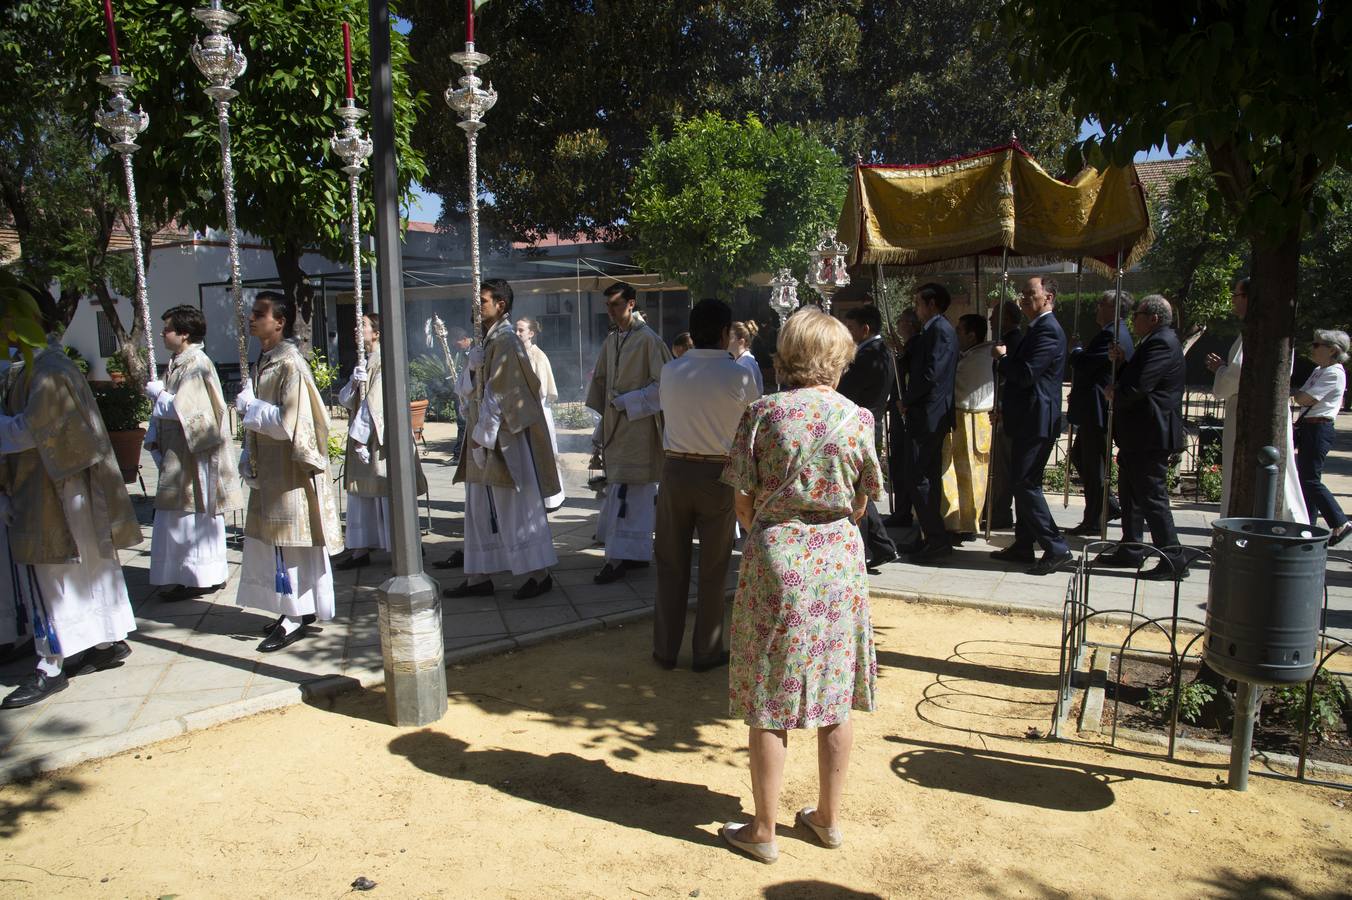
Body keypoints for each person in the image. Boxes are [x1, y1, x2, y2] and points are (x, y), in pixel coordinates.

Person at [718, 308, 880, 863]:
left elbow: (742, 502)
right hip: (838, 560)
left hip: (776, 558)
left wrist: (776, 527)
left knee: (770, 693)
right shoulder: (859, 419)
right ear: (838, 359)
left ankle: (763, 831)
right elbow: (863, 501)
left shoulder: (762, 413)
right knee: (835, 692)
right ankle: (828, 820)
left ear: (787, 354)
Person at [0, 333, 141, 707]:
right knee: (84, 570)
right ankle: (105, 642)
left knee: (55, 574)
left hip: (56, 488)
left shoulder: (46, 369)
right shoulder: (39, 365)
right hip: (63, 485)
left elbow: (34, 430)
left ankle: (52, 664)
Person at [652, 299, 759, 672]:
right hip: (719, 473)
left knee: (670, 563)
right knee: (714, 568)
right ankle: (707, 650)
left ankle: (665, 650)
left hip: (675, 470)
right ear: (724, 332)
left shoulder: (671, 370)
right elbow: (754, 424)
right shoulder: (740, 374)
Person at [234, 291, 344, 651]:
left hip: (290, 470)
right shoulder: (265, 360)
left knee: (292, 542)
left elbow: (290, 424)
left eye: (259, 314)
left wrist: (251, 408)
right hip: (269, 466)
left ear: (278, 322)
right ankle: (292, 608)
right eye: (252, 313)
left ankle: (296, 614)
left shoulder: (290, 364)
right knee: (276, 542)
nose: (252, 319)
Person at [445, 278, 562, 600]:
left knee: (515, 507)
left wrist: (484, 439)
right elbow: (468, 390)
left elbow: (502, 394)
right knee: (478, 507)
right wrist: (471, 367)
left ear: (501, 305)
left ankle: (539, 574)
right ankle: (478, 576)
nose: (476, 306)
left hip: (503, 438)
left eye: (482, 301)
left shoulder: (507, 340)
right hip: (481, 434)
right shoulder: (486, 340)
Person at [143, 304, 244, 598]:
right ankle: (187, 573)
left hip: (194, 457)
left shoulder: (196, 364)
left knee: (193, 518)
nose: (162, 334)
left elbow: (194, 413)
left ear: (184, 333)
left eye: (168, 329)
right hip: (178, 452)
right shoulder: (178, 361)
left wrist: (159, 396)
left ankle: (200, 575)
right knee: (177, 519)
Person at [586, 282, 672, 584]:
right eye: (608, 306)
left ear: (631, 304)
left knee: (630, 495)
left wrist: (628, 401)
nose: (611, 311)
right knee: (622, 494)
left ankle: (618, 558)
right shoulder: (612, 341)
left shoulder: (649, 340)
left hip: (639, 432)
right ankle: (633, 554)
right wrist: (603, 423)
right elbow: (601, 383)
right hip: (616, 430)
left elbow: (666, 387)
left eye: (616, 305)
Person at [1098, 295, 1188, 580]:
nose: (1133, 319)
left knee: (1152, 497)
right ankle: (1131, 548)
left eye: (1137, 314)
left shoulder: (1162, 341)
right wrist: (1124, 363)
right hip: (1139, 434)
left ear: (1153, 317)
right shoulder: (1153, 340)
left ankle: (1173, 558)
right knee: (1131, 494)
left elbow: (1142, 385)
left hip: (1150, 434)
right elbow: (1139, 374)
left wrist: (1117, 393)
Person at [1206, 278, 1307, 522]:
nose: (1233, 301)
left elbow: (1239, 373)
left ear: (1250, 299)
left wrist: (1220, 369)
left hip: (1252, 412)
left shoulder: (1259, 331)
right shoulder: (1254, 330)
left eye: (1236, 295)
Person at [991, 276, 1072, 575]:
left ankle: (1056, 548)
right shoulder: (1036, 328)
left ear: (1048, 297)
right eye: (1023, 294)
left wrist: (1003, 359)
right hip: (1026, 417)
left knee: (1025, 484)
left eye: (1030, 293)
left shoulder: (1048, 331)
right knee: (1023, 482)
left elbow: (1026, 374)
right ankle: (1024, 544)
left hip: (1036, 420)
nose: (1024, 298)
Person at [335, 312, 428, 569]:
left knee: (388, 489)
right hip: (364, 433)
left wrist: (359, 437)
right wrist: (354, 383)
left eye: (362, 325)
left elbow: (375, 401)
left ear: (376, 333)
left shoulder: (384, 360)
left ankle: (405, 544)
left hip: (381, 437)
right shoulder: (363, 361)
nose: (356, 328)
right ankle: (360, 547)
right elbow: (347, 400)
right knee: (361, 492)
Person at [896, 283, 958, 564]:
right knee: (926, 478)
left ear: (932, 304)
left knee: (917, 476)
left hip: (929, 415)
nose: (917, 308)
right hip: (927, 414)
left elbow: (931, 374)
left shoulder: (941, 331)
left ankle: (936, 538)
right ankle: (930, 537)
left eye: (919, 303)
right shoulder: (931, 331)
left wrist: (907, 399)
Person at [1065, 291, 1135, 535]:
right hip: (1093, 408)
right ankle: (1107, 505)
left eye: (1101, 304)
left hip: (1098, 410)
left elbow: (1086, 363)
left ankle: (1095, 518)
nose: (1097, 308)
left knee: (1093, 465)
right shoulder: (1115, 332)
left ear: (1114, 308)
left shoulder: (1112, 334)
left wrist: (1075, 351)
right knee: (1080, 456)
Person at [837, 303, 900, 568]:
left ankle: (863, 550)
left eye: (850, 329)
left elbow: (846, 392)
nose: (847, 334)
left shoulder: (868, 356)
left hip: (859, 424)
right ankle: (884, 546)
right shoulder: (880, 351)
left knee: (858, 490)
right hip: (868, 421)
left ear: (865, 329)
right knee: (861, 488)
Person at [939, 313, 995, 538]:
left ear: (972, 335)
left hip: (973, 419)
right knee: (953, 473)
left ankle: (966, 524)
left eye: (960, 330)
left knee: (972, 475)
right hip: (961, 419)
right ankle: (955, 521)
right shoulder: (970, 354)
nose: (956, 334)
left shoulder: (980, 357)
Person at [1292, 329, 1351, 544]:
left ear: (1333, 350)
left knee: (1310, 479)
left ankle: (1340, 522)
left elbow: (1305, 398)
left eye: (1317, 345)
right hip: (1309, 427)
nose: (1312, 348)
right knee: (1304, 478)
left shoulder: (1335, 372)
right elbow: (1301, 396)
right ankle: (1308, 526)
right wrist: (1302, 397)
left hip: (1320, 428)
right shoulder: (1320, 370)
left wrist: (1303, 397)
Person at [515, 316, 566, 511]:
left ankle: (552, 498)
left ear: (531, 333)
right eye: (516, 330)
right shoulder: (517, 354)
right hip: (522, 412)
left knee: (545, 453)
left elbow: (542, 390)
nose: (517, 333)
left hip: (538, 411)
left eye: (521, 330)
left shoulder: (538, 356)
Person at [986, 299, 1023, 530]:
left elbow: (1013, 379)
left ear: (1007, 318)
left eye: (996, 316)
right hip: (1002, 409)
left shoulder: (1014, 342)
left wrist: (1000, 405)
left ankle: (1001, 511)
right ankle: (998, 510)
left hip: (1008, 412)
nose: (991, 320)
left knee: (1004, 467)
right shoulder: (1006, 341)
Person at [885, 308, 922, 528]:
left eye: (900, 321)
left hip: (905, 411)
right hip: (900, 410)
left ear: (910, 324)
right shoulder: (910, 346)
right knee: (898, 462)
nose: (898, 325)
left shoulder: (918, 344)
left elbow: (908, 373)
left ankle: (903, 510)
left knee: (904, 462)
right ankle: (901, 509)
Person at [448, 327, 472, 462]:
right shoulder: (462, 351)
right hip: (462, 391)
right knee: (461, 422)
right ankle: (459, 454)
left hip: (471, 393)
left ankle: (459, 455)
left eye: (458, 343)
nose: (456, 347)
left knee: (463, 422)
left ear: (464, 339)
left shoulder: (475, 349)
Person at [729, 321, 765, 395]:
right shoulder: (741, 360)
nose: (725, 340)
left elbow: (746, 395)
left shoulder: (746, 363)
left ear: (741, 342)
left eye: (730, 337)